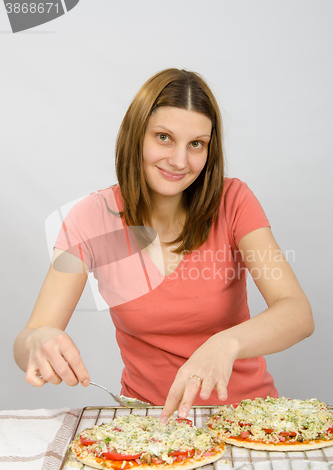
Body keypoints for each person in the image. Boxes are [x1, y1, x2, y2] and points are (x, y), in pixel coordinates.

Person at [13, 68, 314, 423]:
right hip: (149, 424)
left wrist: (225, 344)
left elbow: (297, 312)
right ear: (136, 136)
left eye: (196, 144)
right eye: (164, 137)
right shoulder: (90, 219)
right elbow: (30, 337)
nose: (179, 161)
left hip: (245, 418)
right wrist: (36, 342)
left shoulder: (234, 201)